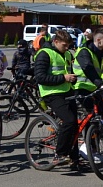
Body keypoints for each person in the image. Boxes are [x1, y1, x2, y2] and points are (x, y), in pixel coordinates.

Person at [33, 30, 78, 167]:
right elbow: (40, 77)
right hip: (51, 93)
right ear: (56, 42)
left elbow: (68, 72)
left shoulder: (66, 54)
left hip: (67, 91)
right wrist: (63, 78)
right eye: (64, 45)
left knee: (75, 125)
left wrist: (73, 79)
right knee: (69, 121)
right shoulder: (44, 54)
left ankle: (74, 158)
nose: (67, 48)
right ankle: (59, 154)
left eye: (68, 46)